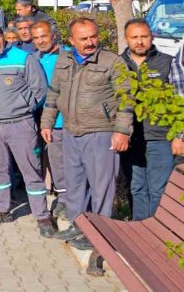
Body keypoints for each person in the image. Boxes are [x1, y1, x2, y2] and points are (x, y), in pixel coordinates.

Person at [44, 18, 133, 249]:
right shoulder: (64, 59)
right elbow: (54, 92)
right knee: (74, 184)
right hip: (71, 132)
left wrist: (122, 131)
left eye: (93, 36)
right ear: (71, 40)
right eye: (83, 39)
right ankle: (79, 225)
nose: (90, 42)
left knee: (101, 187)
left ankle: (100, 235)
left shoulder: (112, 62)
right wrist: (47, 122)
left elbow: (126, 99)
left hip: (101, 133)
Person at [0, 21, 54, 237]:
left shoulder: (23, 58)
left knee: (30, 169)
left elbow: (40, 89)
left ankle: (42, 215)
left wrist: (23, 107)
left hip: (21, 124)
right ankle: (2, 209)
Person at [120, 18, 174, 221]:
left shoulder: (167, 62)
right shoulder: (118, 64)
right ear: (127, 39)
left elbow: (180, 101)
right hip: (131, 138)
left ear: (151, 37)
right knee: (136, 187)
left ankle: (156, 233)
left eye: (144, 36)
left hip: (160, 137)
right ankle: (139, 229)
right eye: (134, 37)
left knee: (158, 189)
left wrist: (179, 135)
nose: (140, 41)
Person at [31, 20, 68, 220]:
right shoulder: (33, 59)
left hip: (68, 119)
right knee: (56, 162)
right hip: (46, 122)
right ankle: (63, 198)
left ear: (54, 35)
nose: (40, 41)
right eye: (36, 38)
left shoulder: (70, 56)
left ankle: (74, 199)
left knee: (73, 163)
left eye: (43, 36)